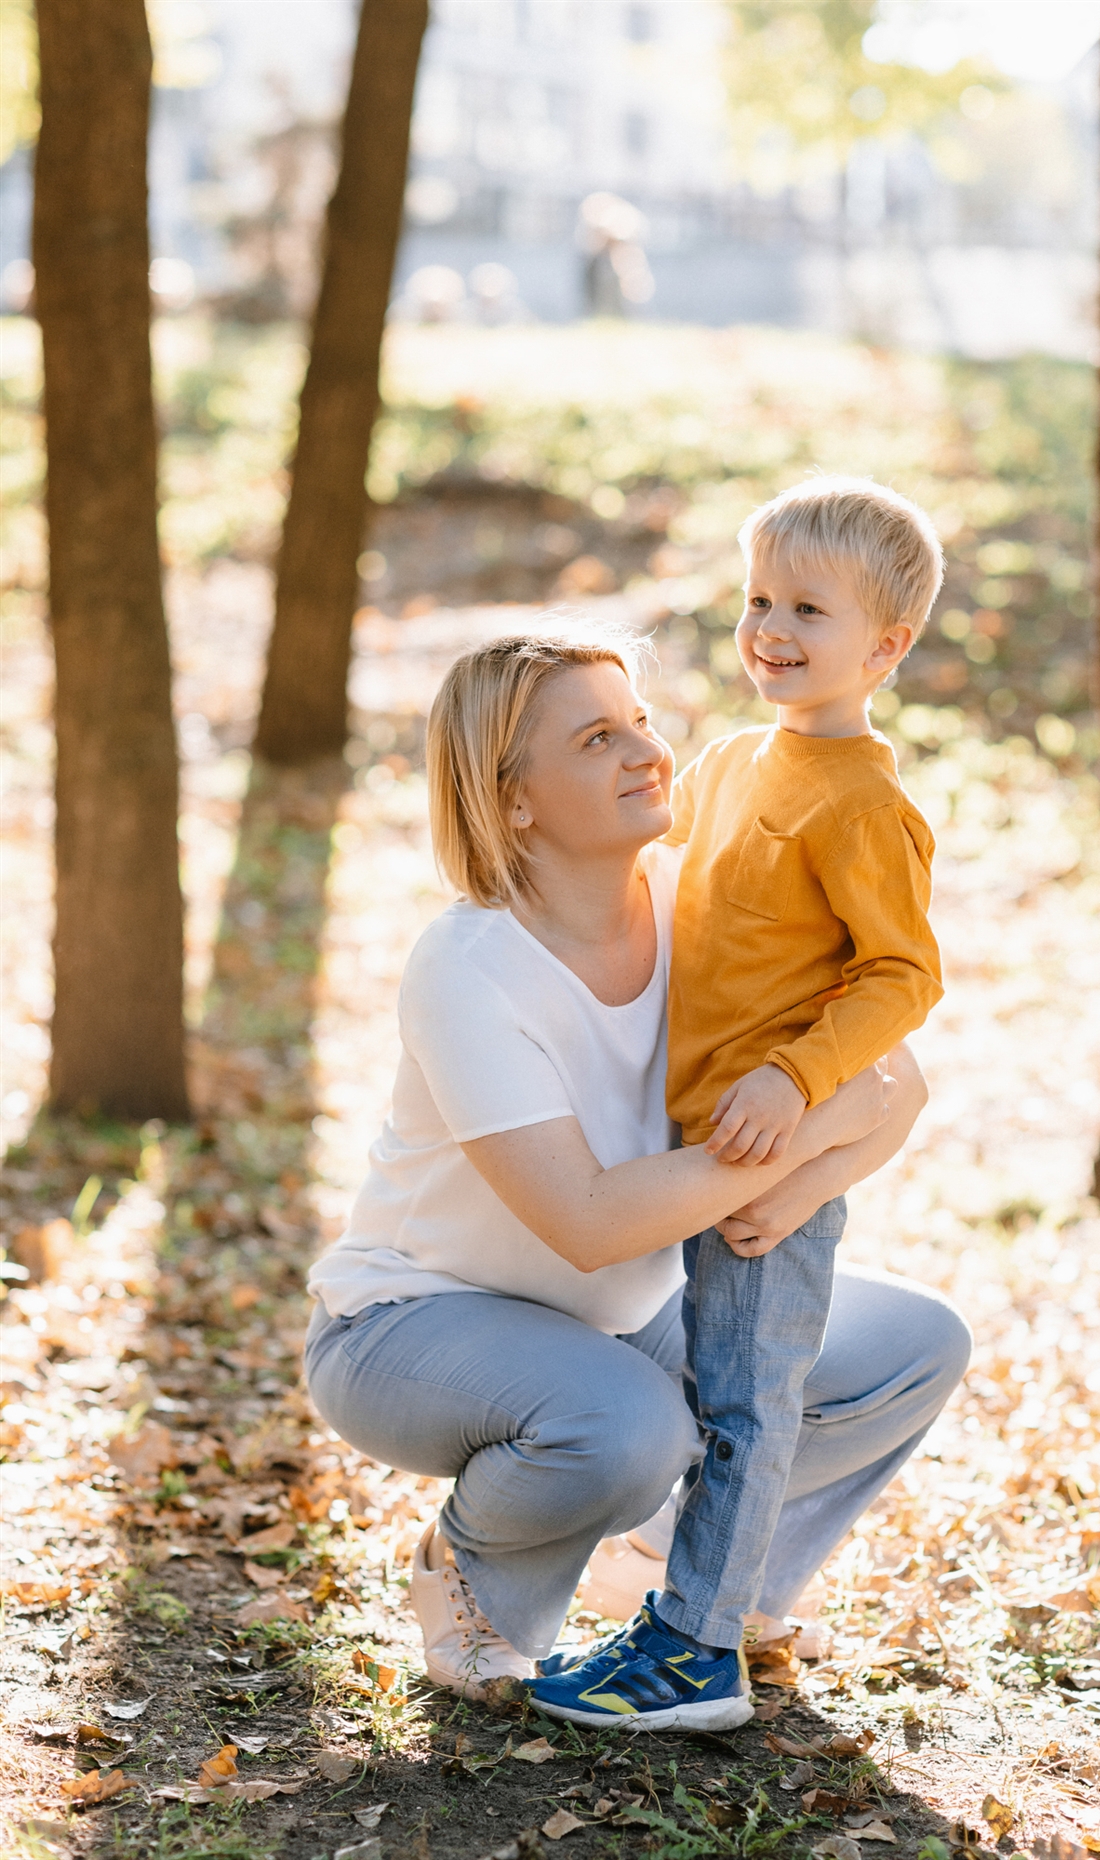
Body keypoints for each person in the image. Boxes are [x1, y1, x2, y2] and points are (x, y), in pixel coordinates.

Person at [304, 629, 970, 1732]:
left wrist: (801, 1175)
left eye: (642, 721)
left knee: (909, 1350)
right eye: (596, 737)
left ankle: (703, 1584)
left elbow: (891, 1083)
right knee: (630, 1428)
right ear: (512, 800)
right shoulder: (470, 966)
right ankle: (475, 1575)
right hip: (412, 1325)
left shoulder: (701, 898)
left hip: (623, 1319)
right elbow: (589, 1220)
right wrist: (802, 1138)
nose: (646, 752)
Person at [529, 480, 947, 1727]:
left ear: (884, 647)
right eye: (758, 599)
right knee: (694, 1384)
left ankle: (696, 1652)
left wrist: (793, 1083)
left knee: (746, 1404)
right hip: (681, 1143)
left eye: (808, 609)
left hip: (763, 1145)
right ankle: (672, 1606)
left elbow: (902, 976)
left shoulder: (863, 803)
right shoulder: (724, 763)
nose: (769, 626)